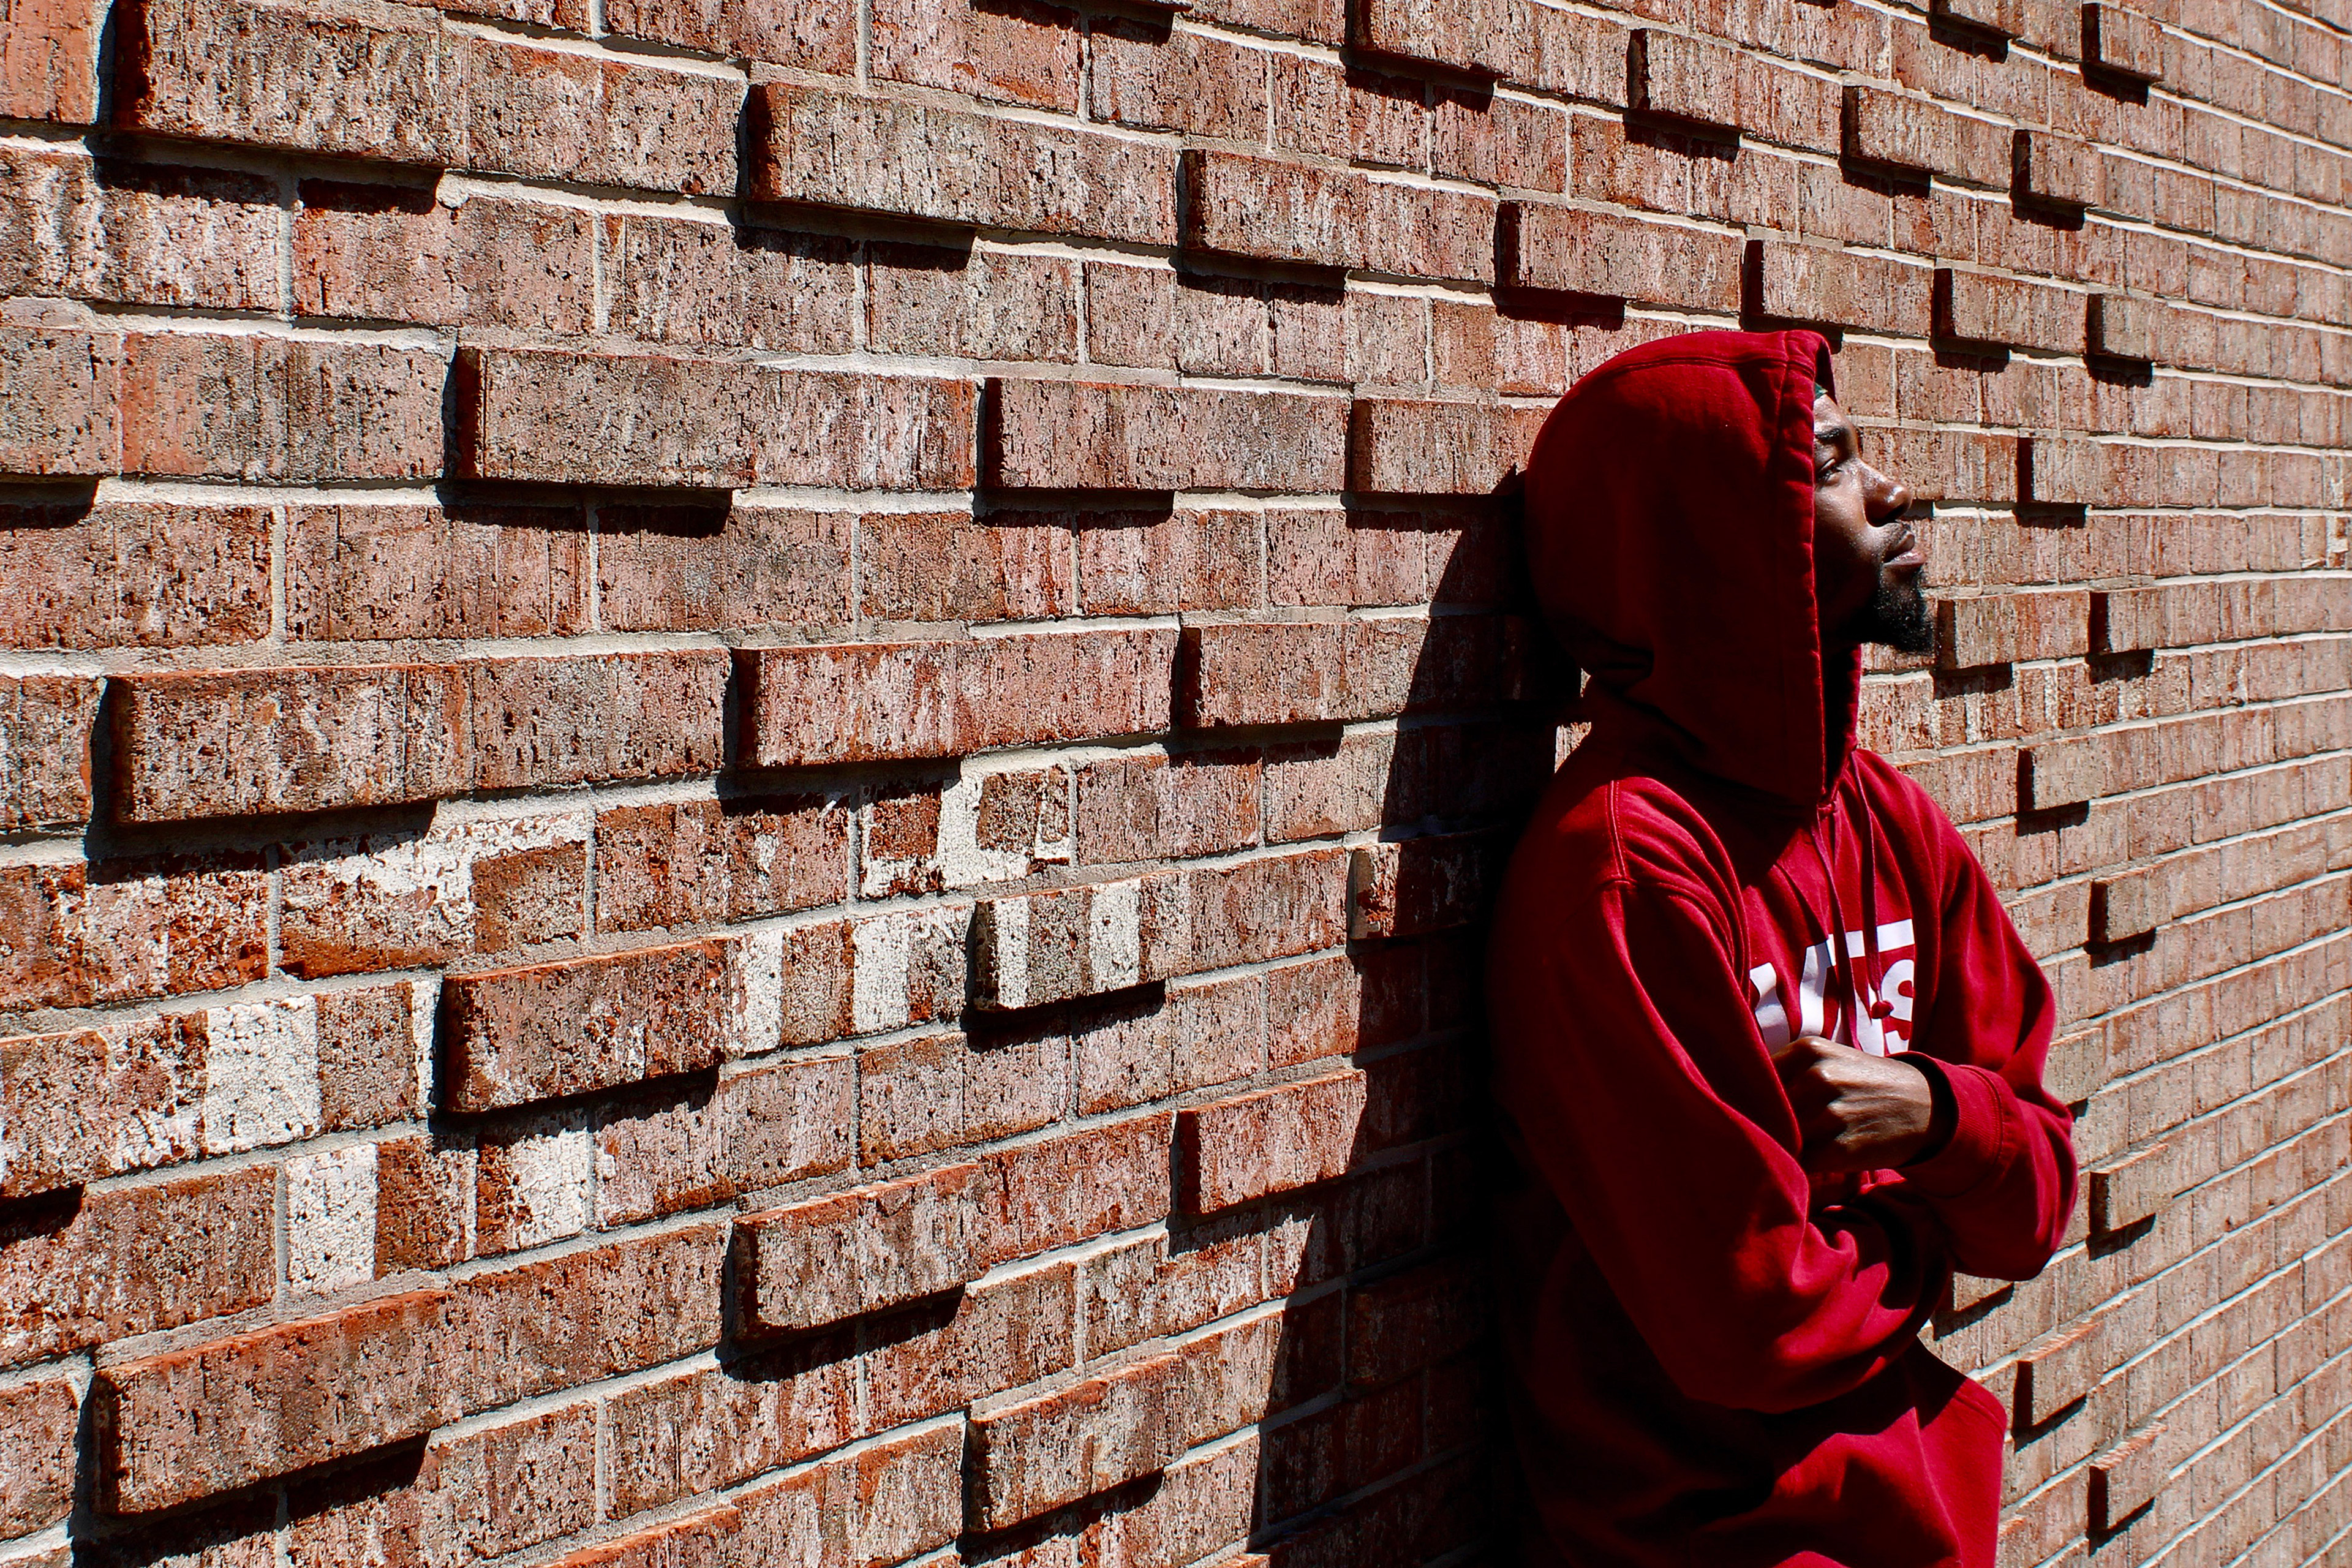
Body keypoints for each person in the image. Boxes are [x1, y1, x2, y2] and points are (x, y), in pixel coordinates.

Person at [1485, 328, 2078, 1567]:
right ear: (1719, 544)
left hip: (1906, 1520)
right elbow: (1751, 1318)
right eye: (1833, 464)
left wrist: (1931, 1113)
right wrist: (1932, 1233)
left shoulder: (1886, 817)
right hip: (1703, 1540)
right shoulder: (1630, 869)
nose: (1889, 492)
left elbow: (2037, 1197)